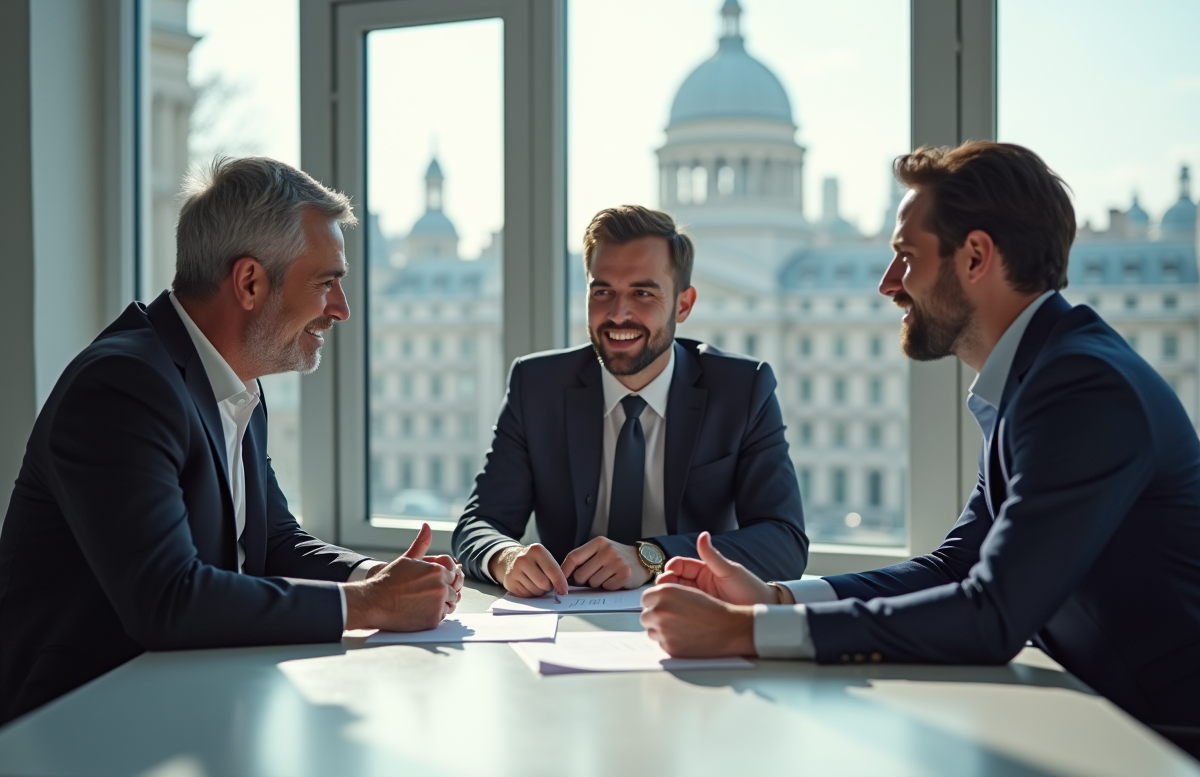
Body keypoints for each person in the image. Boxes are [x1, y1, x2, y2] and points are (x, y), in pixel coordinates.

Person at [640, 142, 1200, 730]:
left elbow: (992, 614)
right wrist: (773, 599)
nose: (888, 284)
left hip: (1163, 738)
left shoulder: (1080, 388)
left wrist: (747, 632)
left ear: (976, 257)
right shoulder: (1045, 373)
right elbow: (957, 564)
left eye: (906, 257)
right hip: (1109, 719)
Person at [0, 157, 463, 725]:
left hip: (185, 704)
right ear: (249, 282)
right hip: (77, 727)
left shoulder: (236, 381)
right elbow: (168, 599)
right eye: (326, 284)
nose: (341, 310)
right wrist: (370, 606)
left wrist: (375, 577)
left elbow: (271, 539)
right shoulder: (123, 386)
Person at [453, 205, 808, 598]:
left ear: (683, 305)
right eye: (602, 291)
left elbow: (784, 541)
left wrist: (651, 556)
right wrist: (505, 556)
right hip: (564, 623)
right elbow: (479, 522)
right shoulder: (537, 385)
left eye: (642, 293)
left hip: (694, 617)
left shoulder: (742, 389)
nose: (618, 314)